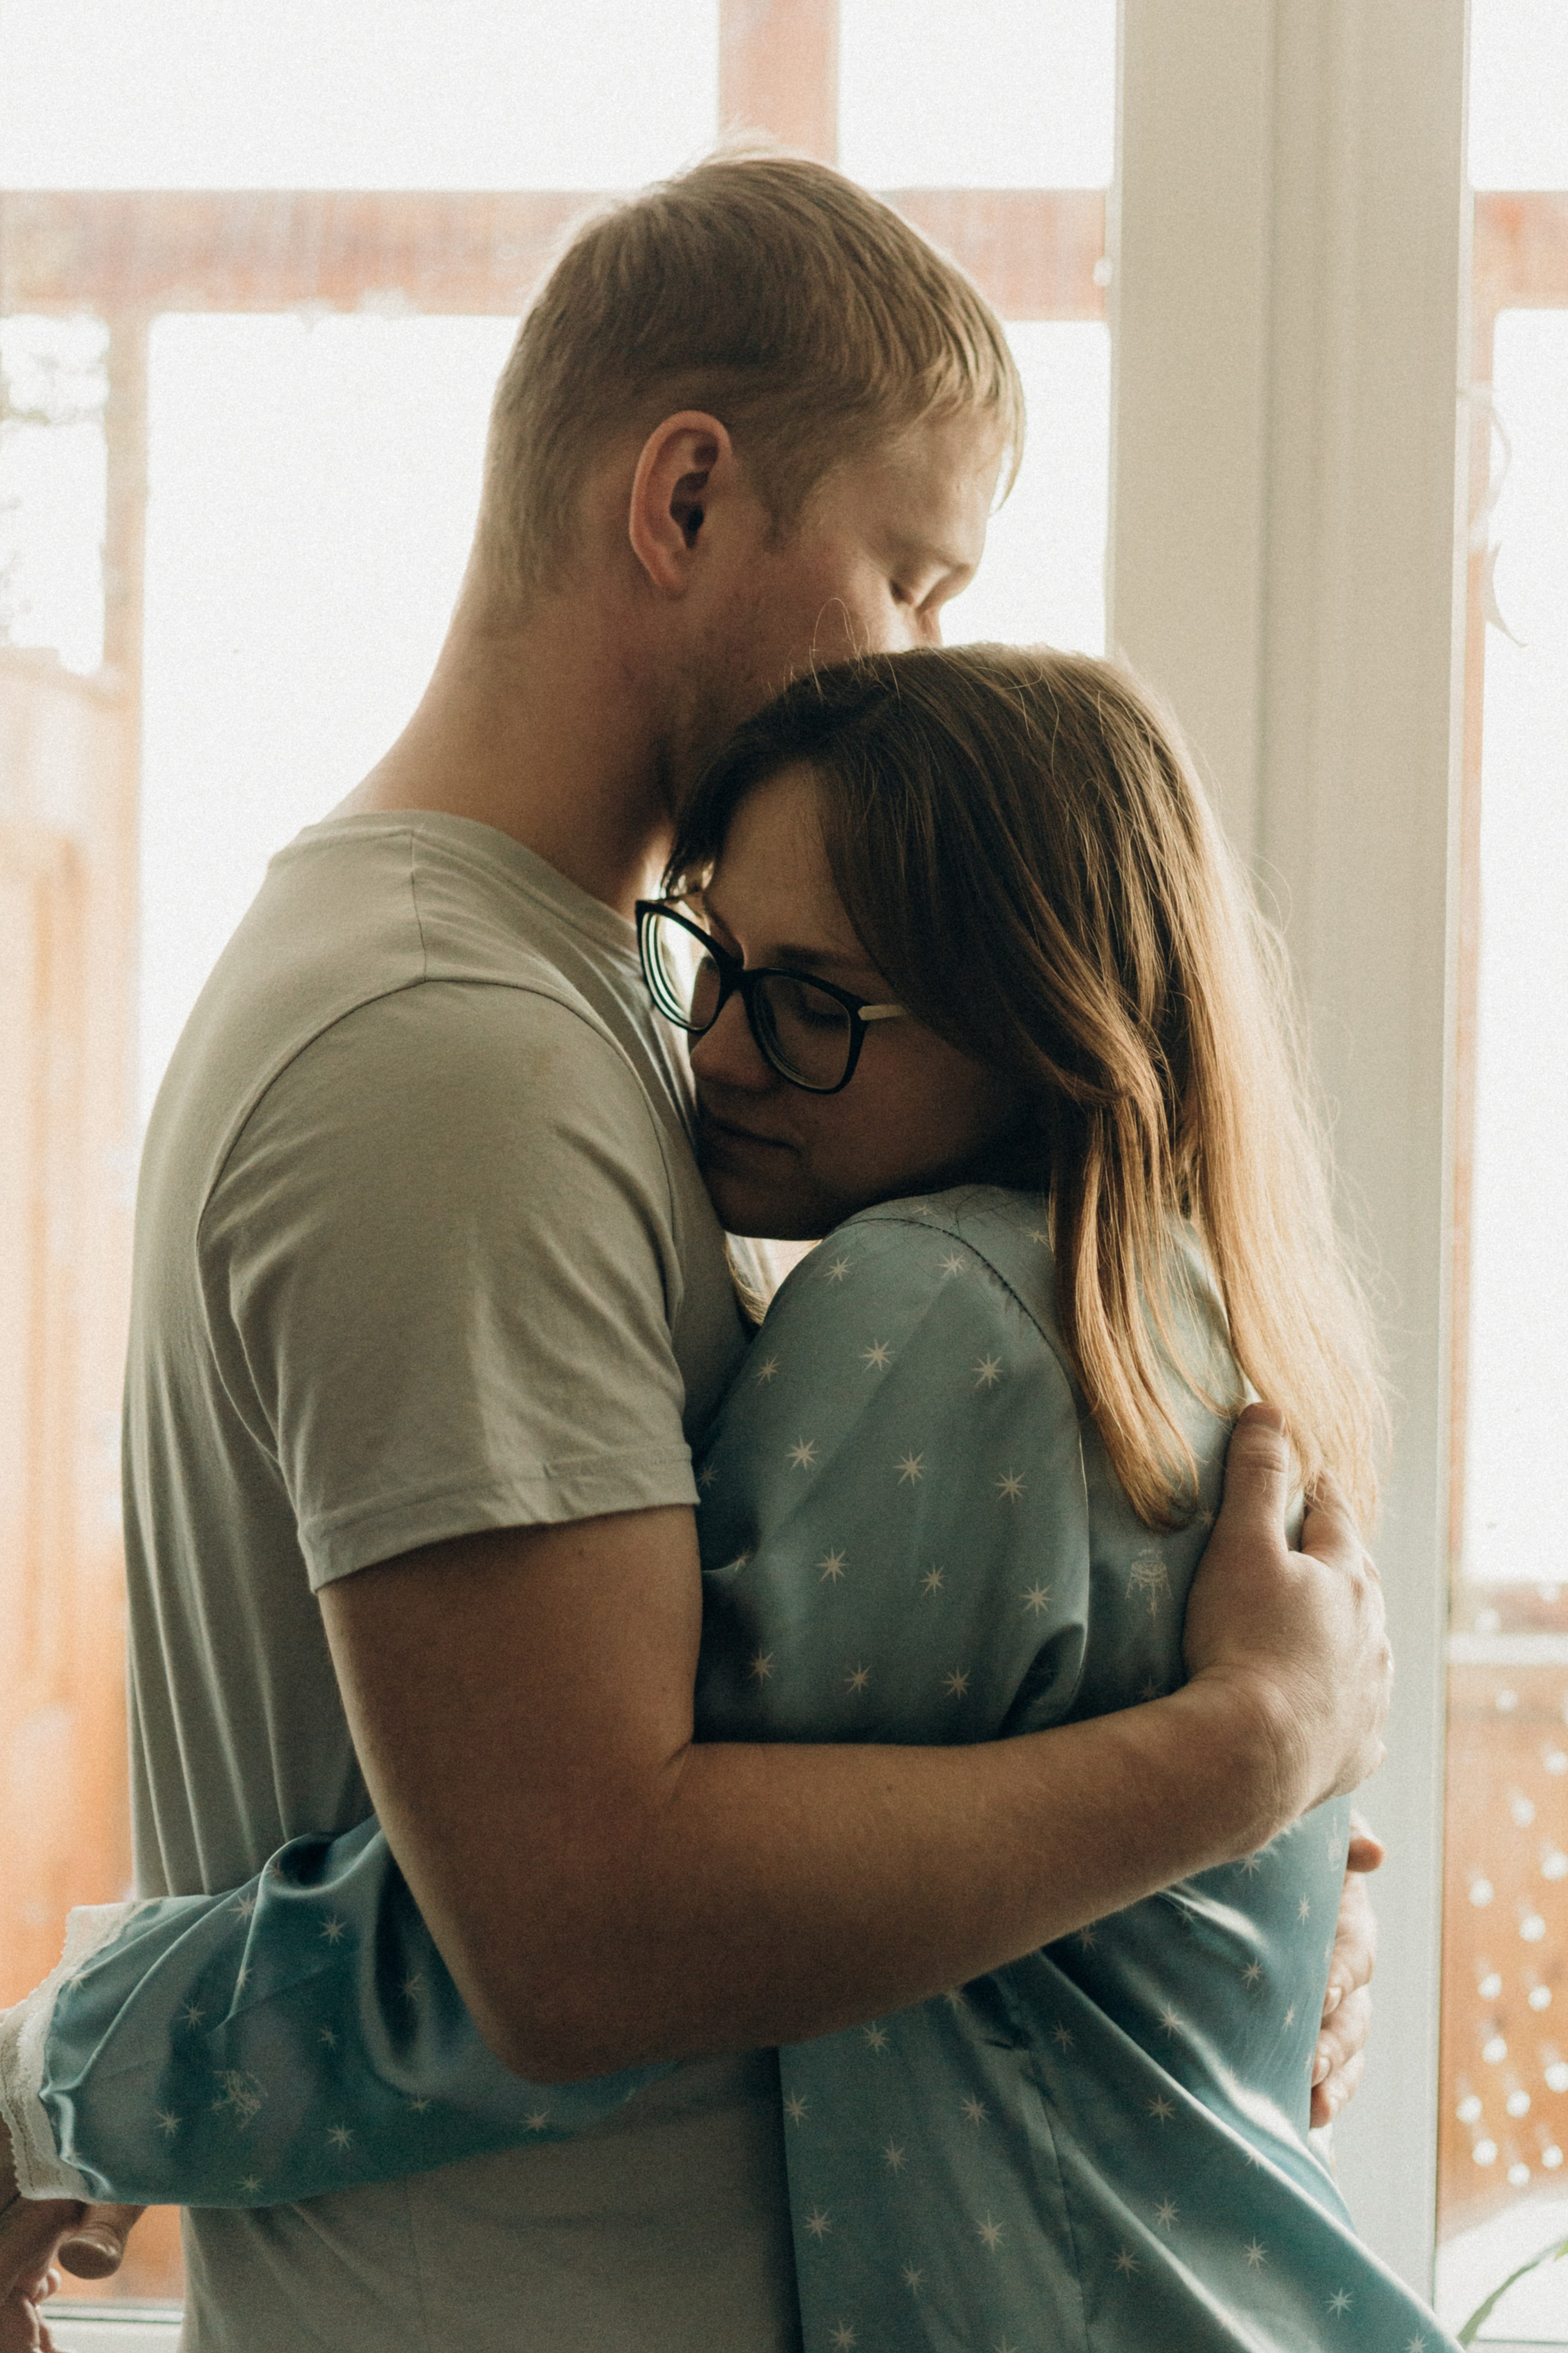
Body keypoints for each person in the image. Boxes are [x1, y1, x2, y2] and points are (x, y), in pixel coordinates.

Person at [0, 156, 1388, 2353]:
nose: (936, 664)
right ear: (686, 502)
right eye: (914, 575)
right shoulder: (451, 1051)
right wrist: (1239, 1764)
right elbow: (581, 1926)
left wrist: (1213, 1883)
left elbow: (846, 1765)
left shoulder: (610, 1029)